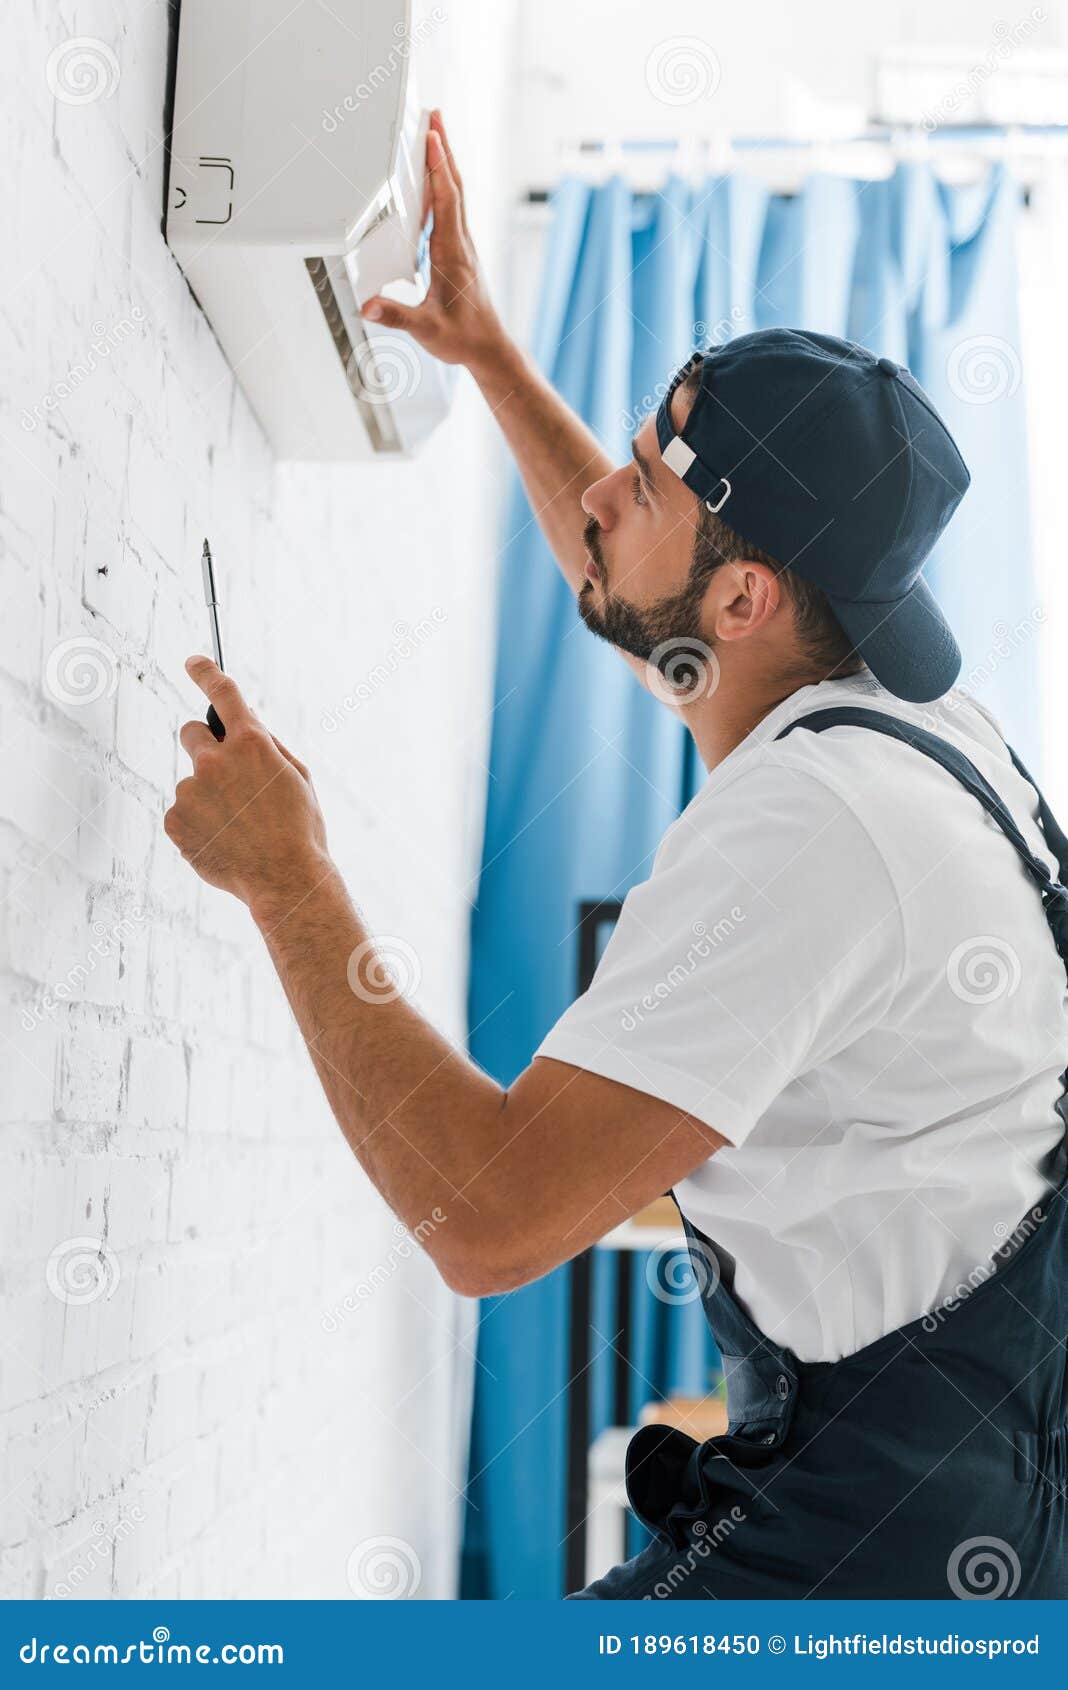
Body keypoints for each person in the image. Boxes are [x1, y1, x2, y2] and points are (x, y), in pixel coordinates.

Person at [164, 115, 1068, 1598]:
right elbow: (665, 609)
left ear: (751, 597)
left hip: (884, 1558)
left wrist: (288, 878)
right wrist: (490, 358)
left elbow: (488, 1219)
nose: (603, 493)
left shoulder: (814, 826)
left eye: (644, 482)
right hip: (959, 1496)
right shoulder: (903, 717)